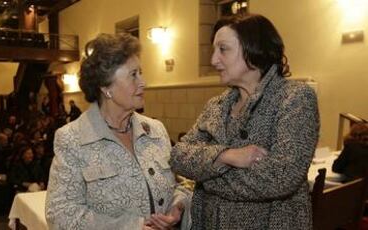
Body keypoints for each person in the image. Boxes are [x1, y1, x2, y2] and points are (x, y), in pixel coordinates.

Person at [169, 14, 320, 229]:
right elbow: (178, 155)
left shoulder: (294, 98)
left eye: (223, 49)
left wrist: (204, 176)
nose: (213, 60)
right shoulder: (217, 105)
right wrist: (226, 156)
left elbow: (280, 177)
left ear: (253, 49)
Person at [46, 33, 191, 230]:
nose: (143, 82)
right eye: (133, 75)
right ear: (106, 87)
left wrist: (178, 206)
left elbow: (182, 183)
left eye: (141, 72)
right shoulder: (72, 139)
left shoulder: (155, 130)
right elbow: (61, 215)